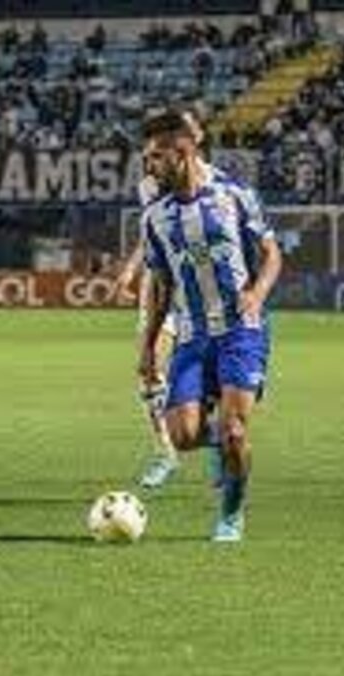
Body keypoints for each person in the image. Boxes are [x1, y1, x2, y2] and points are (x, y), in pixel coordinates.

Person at [137, 110, 283, 542]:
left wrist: (256, 293)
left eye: (156, 158)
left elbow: (272, 253)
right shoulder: (155, 218)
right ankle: (218, 440)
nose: (149, 167)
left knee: (236, 430)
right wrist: (147, 349)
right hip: (192, 335)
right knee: (183, 436)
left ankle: (231, 515)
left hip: (242, 330)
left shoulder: (234, 195)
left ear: (182, 153)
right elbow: (161, 286)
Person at [114, 111, 222, 490]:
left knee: (210, 373)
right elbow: (152, 233)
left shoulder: (215, 183)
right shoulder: (149, 184)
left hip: (201, 284)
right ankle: (165, 452)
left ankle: (216, 447)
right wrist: (131, 269)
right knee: (148, 367)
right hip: (162, 282)